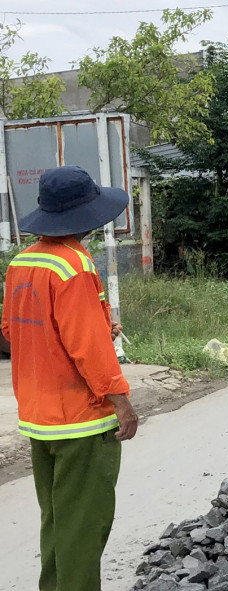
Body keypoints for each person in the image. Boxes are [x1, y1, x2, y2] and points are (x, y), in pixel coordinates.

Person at [2, 165, 139, 591]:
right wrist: (121, 400)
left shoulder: (22, 263)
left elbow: (12, 331)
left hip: (39, 418)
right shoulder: (74, 267)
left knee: (59, 521)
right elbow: (89, 351)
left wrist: (94, 327)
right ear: (86, 215)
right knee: (84, 528)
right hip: (82, 421)